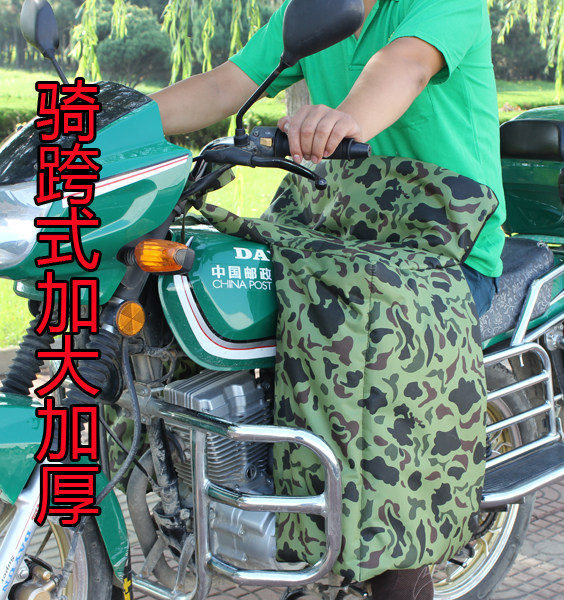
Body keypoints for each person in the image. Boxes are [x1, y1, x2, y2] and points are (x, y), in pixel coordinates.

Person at [152, 0, 505, 597]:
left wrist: (342, 119)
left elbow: (404, 66)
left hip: (444, 243)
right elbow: (227, 83)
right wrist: (114, 123)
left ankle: (399, 562)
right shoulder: (313, 11)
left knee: (368, 326)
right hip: (338, 226)